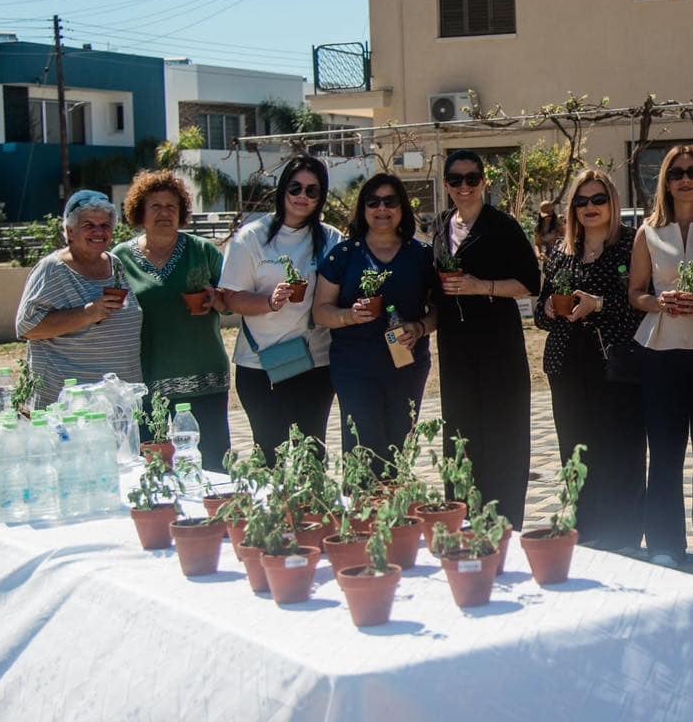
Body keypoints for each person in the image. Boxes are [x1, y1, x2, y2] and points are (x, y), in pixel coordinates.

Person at [628, 145, 693, 566]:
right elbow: (635, 294)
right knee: (665, 450)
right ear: (665, 182)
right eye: (676, 173)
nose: (685, 179)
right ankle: (667, 544)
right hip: (661, 353)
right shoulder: (647, 232)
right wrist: (658, 302)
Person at [431, 150, 542, 525]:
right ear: (446, 185)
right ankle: (462, 522)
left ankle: (503, 525)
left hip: (499, 348)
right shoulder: (441, 225)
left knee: (503, 434)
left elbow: (531, 283)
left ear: (484, 181)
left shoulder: (502, 226)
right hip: (455, 349)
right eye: (456, 180)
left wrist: (482, 286)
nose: (465, 186)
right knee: (460, 435)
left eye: (472, 178)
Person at [536, 169, 644, 550]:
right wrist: (548, 307)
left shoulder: (633, 245)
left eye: (598, 199)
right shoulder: (561, 252)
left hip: (616, 364)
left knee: (621, 448)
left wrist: (598, 304)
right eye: (581, 201)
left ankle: (625, 536)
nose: (590, 208)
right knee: (576, 449)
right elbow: (538, 312)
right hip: (567, 366)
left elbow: (643, 306)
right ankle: (588, 530)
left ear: (612, 202)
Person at [220, 156, 343, 465]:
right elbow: (232, 297)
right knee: (270, 457)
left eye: (312, 191)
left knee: (311, 457)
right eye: (295, 187)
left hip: (315, 364)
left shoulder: (331, 238)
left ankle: (312, 514)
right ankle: (275, 514)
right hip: (261, 366)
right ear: (282, 190)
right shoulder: (251, 236)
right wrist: (269, 303)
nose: (303, 196)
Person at [314, 172, 435, 466]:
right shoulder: (342, 255)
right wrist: (348, 316)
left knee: (398, 450)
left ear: (402, 208)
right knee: (362, 450)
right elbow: (320, 311)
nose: (382, 209)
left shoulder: (421, 255)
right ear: (363, 208)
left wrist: (418, 327)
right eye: (373, 202)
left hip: (407, 366)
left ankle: (395, 511)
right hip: (355, 368)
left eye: (390, 202)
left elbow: (436, 311)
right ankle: (362, 511)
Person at [115, 172, 233, 472]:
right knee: (151, 469)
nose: (164, 213)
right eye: (155, 206)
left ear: (181, 213)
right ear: (140, 212)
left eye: (171, 206)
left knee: (214, 466)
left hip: (204, 376)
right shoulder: (120, 259)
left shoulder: (203, 251)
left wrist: (216, 299)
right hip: (144, 381)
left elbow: (231, 300)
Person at [15, 190, 143, 409]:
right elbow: (27, 327)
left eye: (105, 225)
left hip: (118, 401)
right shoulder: (53, 269)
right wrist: (88, 314)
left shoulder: (115, 264)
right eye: (89, 225)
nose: (98, 232)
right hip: (71, 406)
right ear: (70, 231)